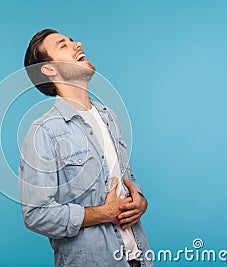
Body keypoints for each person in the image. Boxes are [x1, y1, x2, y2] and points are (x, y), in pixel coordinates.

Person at [18, 29, 153, 267]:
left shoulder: (109, 116)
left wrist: (140, 201)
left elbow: (124, 181)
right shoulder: (44, 132)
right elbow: (36, 214)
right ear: (49, 69)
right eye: (63, 45)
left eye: (71, 40)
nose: (76, 43)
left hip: (138, 258)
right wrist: (103, 213)